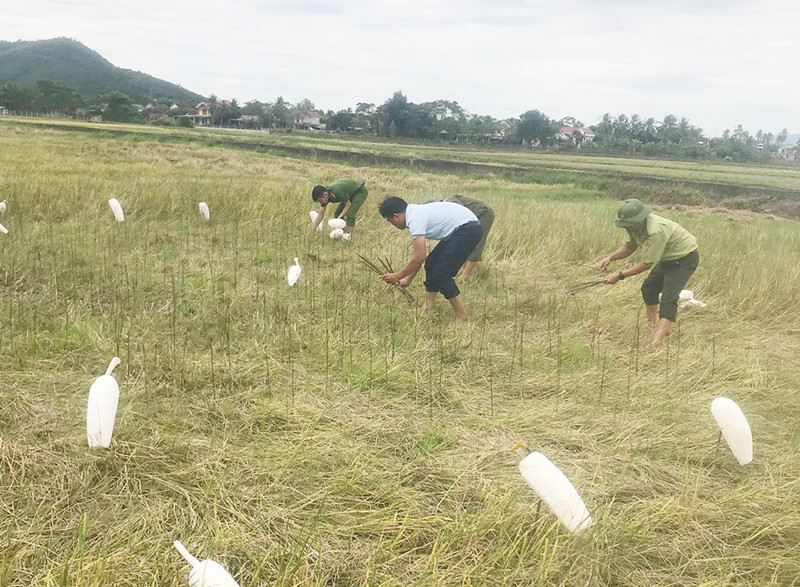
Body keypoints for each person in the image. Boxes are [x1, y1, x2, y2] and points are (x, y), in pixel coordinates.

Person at [598, 199, 699, 345]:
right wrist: (610, 258)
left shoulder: (656, 231)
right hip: (667, 259)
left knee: (668, 298)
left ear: (640, 220)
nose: (628, 229)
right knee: (649, 288)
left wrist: (620, 276)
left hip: (684, 259)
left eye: (630, 226)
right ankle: (653, 327)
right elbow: (630, 247)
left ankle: (656, 342)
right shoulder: (633, 227)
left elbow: (646, 264)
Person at [378, 197, 482, 321]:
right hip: (461, 229)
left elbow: (419, 256)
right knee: (431, 264)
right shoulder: (414, 212)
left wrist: (398, 276)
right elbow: (420, 258)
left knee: (442, 274)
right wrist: (407, 280)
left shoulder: (415, 219)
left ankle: (462, 317)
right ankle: (428, 307)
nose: (393, 225)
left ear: (396, 216)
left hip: (468, 230)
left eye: (390, 221)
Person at [444, 195, 495, 281]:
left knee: (477, 242)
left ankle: (466, 274)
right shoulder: (446, 206)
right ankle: (463, 268)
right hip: (473, 217)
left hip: (484, 213)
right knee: (466, 241)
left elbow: (459, 212)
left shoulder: (448, 202)